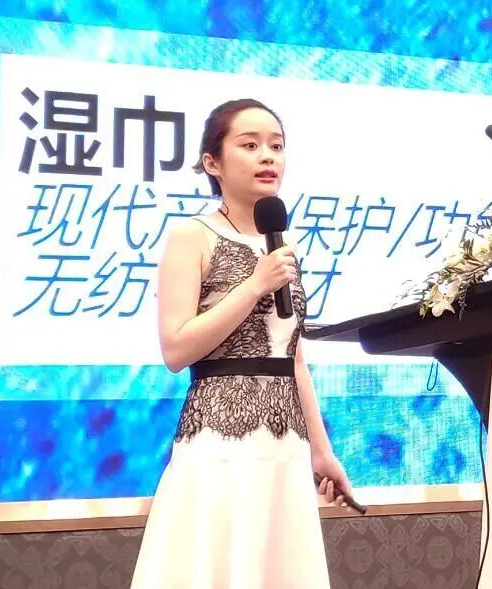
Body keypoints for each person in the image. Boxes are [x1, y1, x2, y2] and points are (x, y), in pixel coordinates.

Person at [130, 98, 352, 588]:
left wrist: (321, 451)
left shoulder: (285, 245)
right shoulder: (192, 236)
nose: (267, 157)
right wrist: (253, 286)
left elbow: (293, 357)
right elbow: (175, 349)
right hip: (219, 444)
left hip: (285, 448)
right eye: (250, 146)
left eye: (276, 146)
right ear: (213, 162)